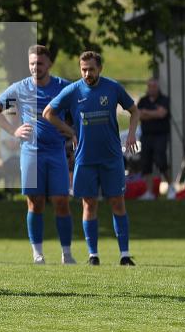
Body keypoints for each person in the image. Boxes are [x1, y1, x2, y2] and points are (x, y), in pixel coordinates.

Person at [43, 51, 139, 266]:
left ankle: (124, 255)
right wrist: (70, 131)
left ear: (100, 69)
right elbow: (48, 113)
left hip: (112, 157)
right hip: (85, 159)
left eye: (91, 69)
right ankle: (93, 255)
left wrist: (132, 134)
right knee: (89, 204)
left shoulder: (112, 87)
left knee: (118, 202)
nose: (87, 74)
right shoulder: (73, 90)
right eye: (84, 69)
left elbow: (134, 111)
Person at [0, 45, 75, 265]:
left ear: (49, 64)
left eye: (40, 63)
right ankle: (37, 254)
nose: (36, 67)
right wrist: (14, 131)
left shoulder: (63, 87)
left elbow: (80, 109)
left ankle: (67, 254)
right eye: (32, 63)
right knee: (35, 202)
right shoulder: (20, 88)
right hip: (31, 153)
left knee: (61, 201)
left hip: (56, 152)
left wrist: (72, 131)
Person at [137, 78, 174, 199]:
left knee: (161, 160)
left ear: (158, 87)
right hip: (146, 135)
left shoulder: (164, 99)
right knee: (146, 163)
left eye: (154, 86)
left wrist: (146, 112)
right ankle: (149, 192)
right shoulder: (143, 100)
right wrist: (154, 113)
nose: (152, 89)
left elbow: (162, 114)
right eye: (150, 86)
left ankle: (171, 186)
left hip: (160, 135)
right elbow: (139, 115)